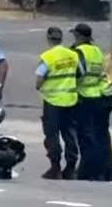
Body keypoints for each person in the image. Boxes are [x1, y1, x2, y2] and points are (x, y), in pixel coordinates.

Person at [35, 27, 83, 180]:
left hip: (52, 101)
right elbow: (80, 74)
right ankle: (70, 168)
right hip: (70, 100)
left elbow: (39, 78)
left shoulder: (48, 56)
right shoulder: (73, 55)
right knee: (70, 134)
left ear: (49, 38)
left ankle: (55, 166)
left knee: (52, 134)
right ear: (61, 39)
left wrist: (41, 87)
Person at [69, 23, 105, 181]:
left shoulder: (79, 52)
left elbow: (78, 72)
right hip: (97, 95)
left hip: (83, 95)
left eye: (75, 36)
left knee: (85, 136)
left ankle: (86, 170)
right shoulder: (97, 51)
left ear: (79, 37)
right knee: (95, 135)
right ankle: (97, 168)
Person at [97, 72, 112, 181]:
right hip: (108, 94)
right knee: (102, 134)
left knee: (91, 135)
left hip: (95, 96)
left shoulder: (79, 55)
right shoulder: (95, 55)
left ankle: (97, 170)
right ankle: (108, 170)